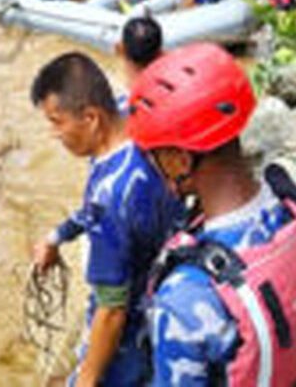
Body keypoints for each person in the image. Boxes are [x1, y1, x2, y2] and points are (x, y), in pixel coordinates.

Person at [128, 44, 296, 386]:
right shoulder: (294, 210)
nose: (153, 167)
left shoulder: (184, 296)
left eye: (155, 156)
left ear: (180, 160)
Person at [31, 54, 183, 387]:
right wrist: (58, 236)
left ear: (91, 118)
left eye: (57, 122)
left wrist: (85, 381)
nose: (54, 135)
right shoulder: (132, 112)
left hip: (132, 330)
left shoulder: (109, 201)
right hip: (166, 271)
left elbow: (112, 311)